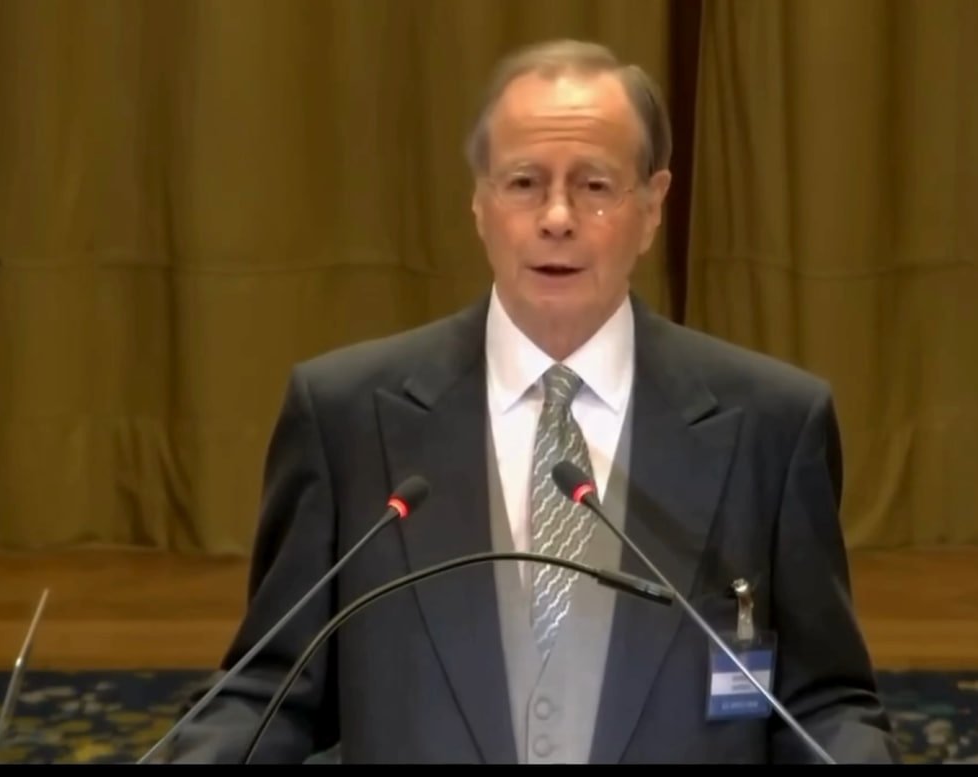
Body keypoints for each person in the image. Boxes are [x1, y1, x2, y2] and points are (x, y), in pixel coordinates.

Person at [159, 39, 901, 765]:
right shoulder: (345, 418)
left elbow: (821, 705)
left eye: (595, 186)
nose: (556, 217)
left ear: (652, 206)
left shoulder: (772, 425)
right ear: (480, 202)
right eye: (523, 183)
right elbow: (270, 689)